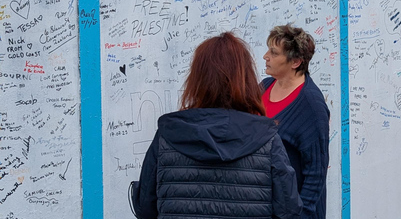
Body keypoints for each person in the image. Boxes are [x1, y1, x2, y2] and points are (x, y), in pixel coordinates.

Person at [130, 32, 302, 219]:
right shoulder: (267, 139)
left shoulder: (166, 136)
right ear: (246, 80)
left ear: (196, 80)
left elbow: (145, 209)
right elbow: (288, 211)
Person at [262, 25, 330, 219]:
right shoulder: (263, 88)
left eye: (274, 53)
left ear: (296, 62)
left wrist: (302, 215)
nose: (266, 56)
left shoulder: (311, 105)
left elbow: (316, 173)